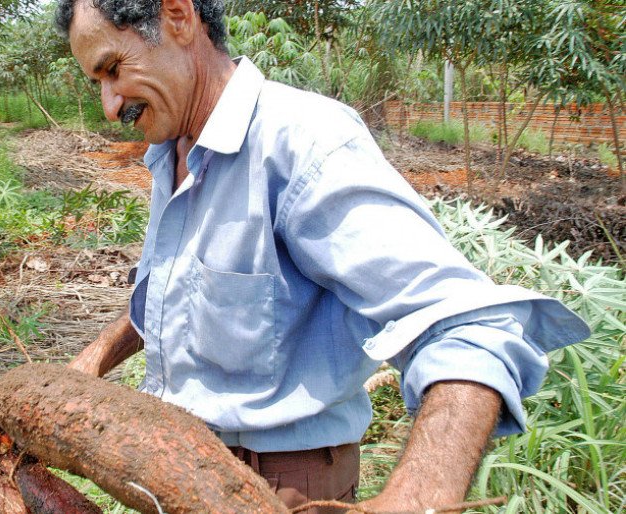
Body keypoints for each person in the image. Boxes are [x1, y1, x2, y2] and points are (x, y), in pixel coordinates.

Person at [55, 0, 590, 512]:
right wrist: (91, 363)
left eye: (113, 69)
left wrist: (421, 498)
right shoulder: (171, 151)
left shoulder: (304, 144)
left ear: (177, 16)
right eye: (96, 82)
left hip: (280, 485)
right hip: (177, 467)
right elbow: (176, 288)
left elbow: (465, 328)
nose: (109, 105)